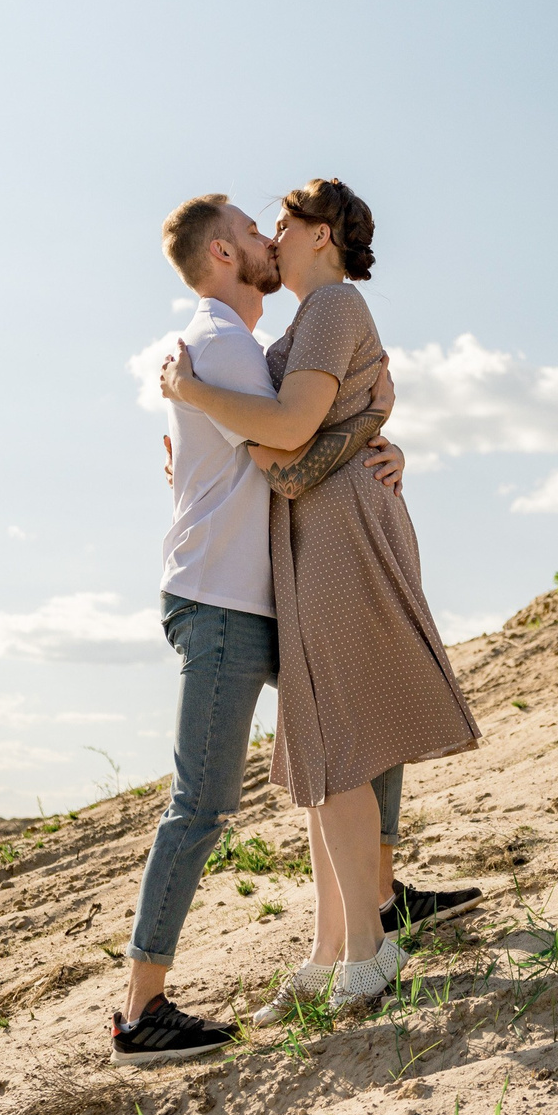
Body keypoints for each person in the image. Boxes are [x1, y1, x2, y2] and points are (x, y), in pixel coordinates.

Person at [160, 179, 482, 1021]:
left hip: (339, 532)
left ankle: (366, 953)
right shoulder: (305, 323)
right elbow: (309, 423)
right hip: (311, 537)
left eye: (287, 221)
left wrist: (195, 398)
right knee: (324, 746)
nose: (275, 232)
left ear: (324, 235)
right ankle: (331, 950)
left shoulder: (335, 304)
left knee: (334, 740)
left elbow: (293, 429)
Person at [110, 192, 409, 1065]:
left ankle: (366, 927)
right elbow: (286, 442)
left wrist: (379, 425)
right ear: (224, 258)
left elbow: (308, 411)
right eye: (251, 230)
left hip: (263, 592)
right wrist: (369, 421)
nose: (267, 239)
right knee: (203, 803)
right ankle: (142, 1009)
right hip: (224, 598)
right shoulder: (223, 347)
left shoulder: (251, 345)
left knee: (341, 743)